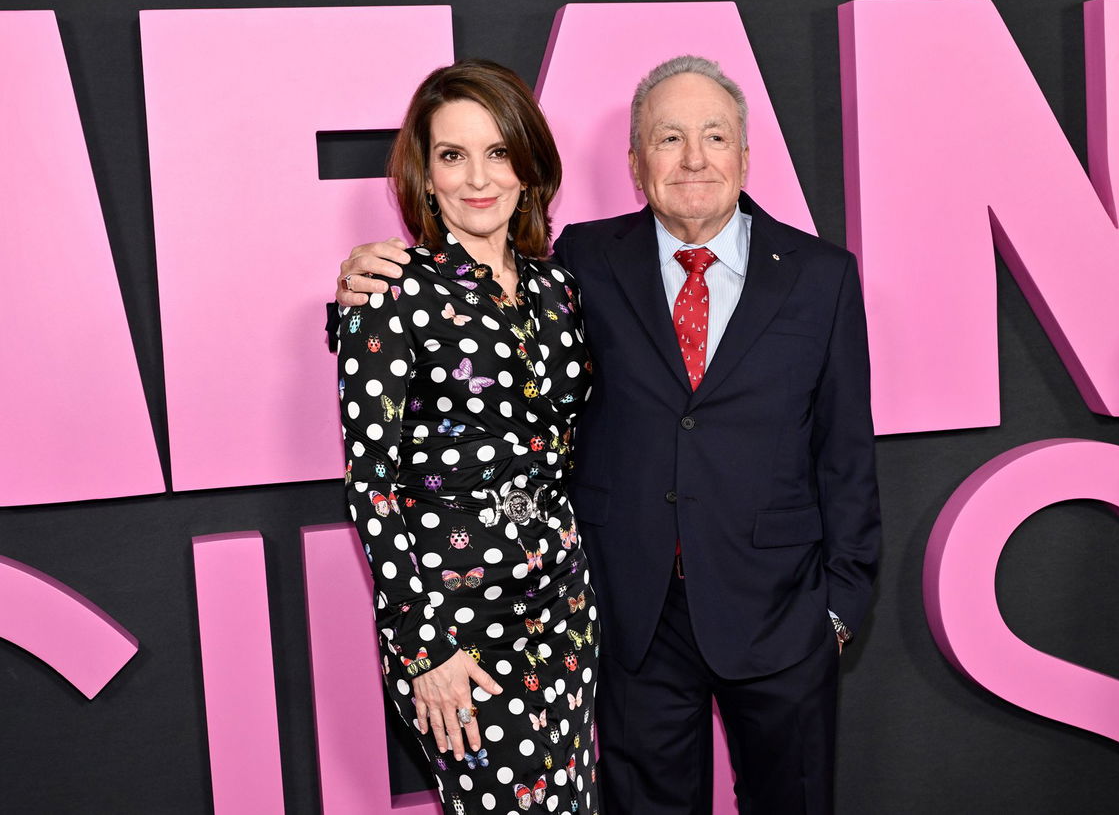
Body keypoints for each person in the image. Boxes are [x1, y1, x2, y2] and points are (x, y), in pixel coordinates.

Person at [337, 55, 880, 815]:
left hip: (776, 619)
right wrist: (360, 284)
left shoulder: (820, 276)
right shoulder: (588, 261)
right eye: (668, 139)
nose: (693, 159)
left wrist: (839, 608)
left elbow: (846, 451)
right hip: (627, 617)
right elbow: (381, 466)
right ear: (634, 163)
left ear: (745, 155)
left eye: (715, 136)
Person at [336, 59, 599, 815]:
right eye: (452, 155)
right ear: (425, 176)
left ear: (528, 165)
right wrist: (425, 651)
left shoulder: (559, 287)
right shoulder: (390, 291)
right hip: (459, 629)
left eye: (496, 152)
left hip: (564, 604)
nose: (477, 178)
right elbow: (370, 486)